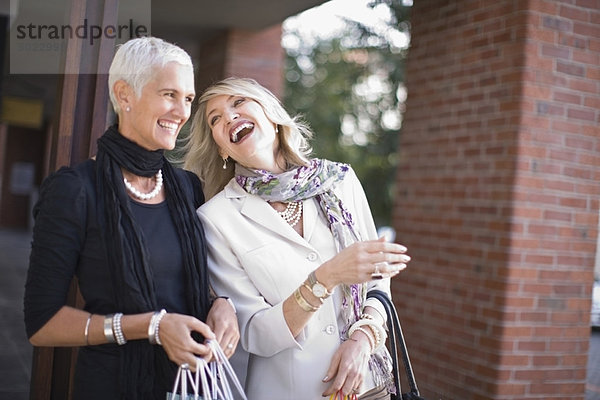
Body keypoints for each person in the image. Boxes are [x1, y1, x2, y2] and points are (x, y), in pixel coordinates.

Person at [23, 37, 239, 400]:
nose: (182, 112)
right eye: (169, 94)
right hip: (114, 387)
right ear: (124, 95)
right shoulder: (75, 190)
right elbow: (42, 324)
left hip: (190, 386)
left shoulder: (187, 188)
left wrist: (221, 304)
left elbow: (190, 283)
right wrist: (151, 327)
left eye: (187, 99)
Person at [182, 77, 411, 400]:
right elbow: (255, 332)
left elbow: (378, 279)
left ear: (272, 115)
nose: (229, 117)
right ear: (222, 147)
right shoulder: (216, 219)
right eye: (215, 119)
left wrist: (363, 338)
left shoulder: (340, 182)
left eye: (238, 103)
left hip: (369, 384)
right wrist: (325, 277)